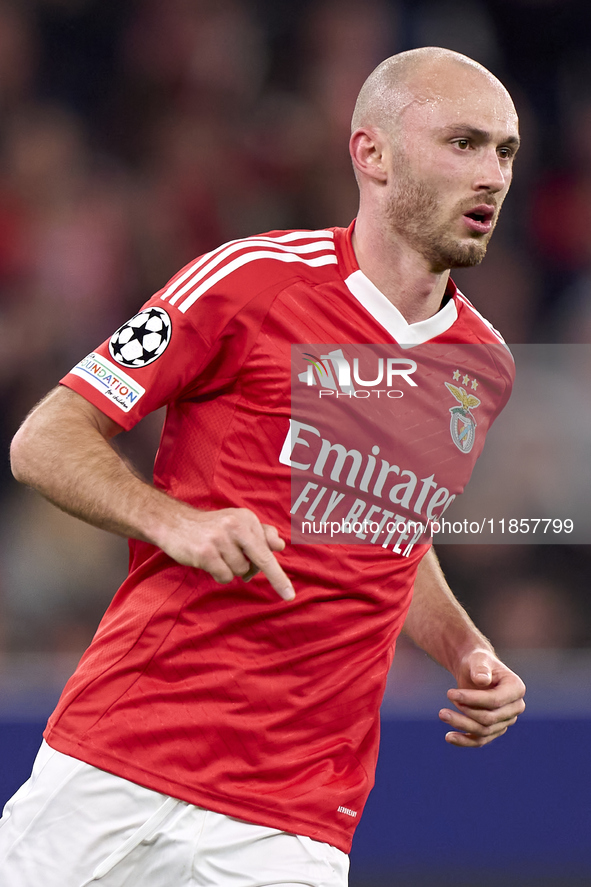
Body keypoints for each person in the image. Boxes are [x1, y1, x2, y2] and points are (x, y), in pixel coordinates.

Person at [1, 46, 526, 887]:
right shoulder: (252, 281)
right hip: (122, 757)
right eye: (463, 143)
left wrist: (461, 644)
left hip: (291, 821)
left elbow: (390, 531)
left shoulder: (482, 366)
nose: (491, 174)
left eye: (504, 151)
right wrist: (174, 519)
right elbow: (45, 438)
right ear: (372, 154)